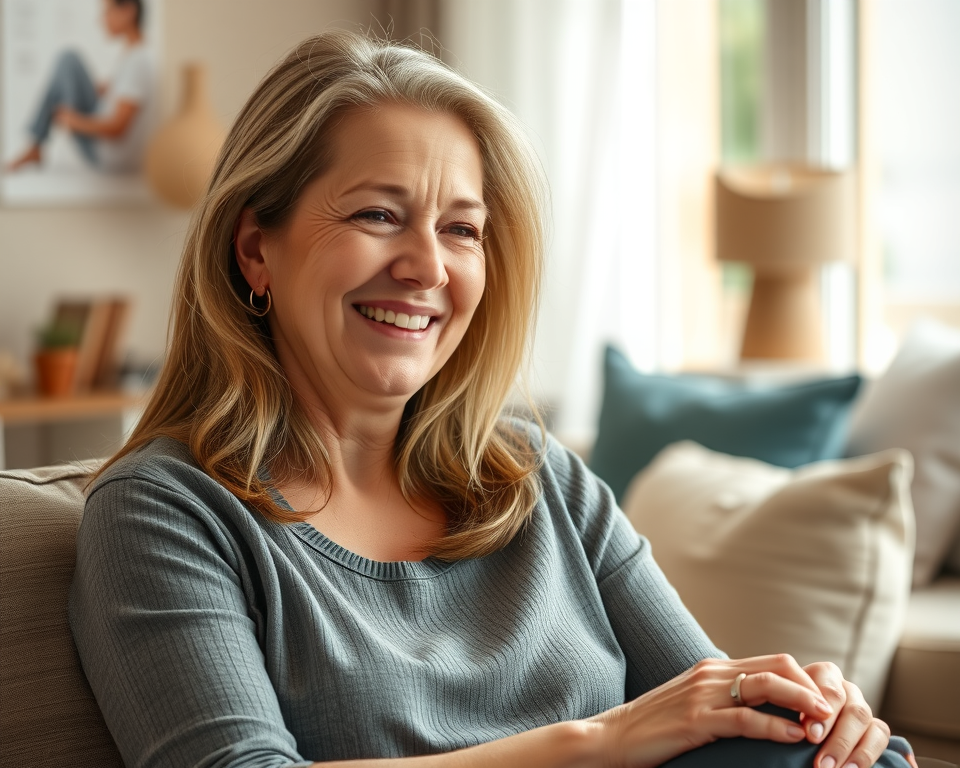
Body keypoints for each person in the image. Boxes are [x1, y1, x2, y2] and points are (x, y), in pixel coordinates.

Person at [69, 30, 917, 768]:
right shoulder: (164, 511)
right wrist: (600, 742)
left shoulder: (538, 478)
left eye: (462, 229)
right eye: (377, 213)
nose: (428, 268)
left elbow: (713, 706)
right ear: (256, 249)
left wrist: (815, 711)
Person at [5, 0, 153, 173]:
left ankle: (35, 145)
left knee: (68, 59)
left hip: (104, 152)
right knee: (67, 66)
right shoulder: (135, 55)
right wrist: (105, 89)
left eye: (106, 12)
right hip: (104, 140)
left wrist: (74, 121)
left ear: (128, 11)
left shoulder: (139, 61)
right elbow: (121, 99)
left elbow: (118, 129)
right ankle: (35, 147)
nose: (101, 20)